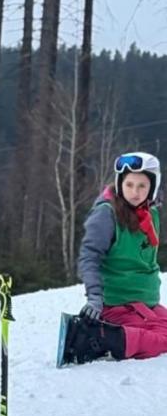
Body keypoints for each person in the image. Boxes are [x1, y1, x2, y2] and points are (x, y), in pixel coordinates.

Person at [62, 151, 167, 365]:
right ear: (120, 184)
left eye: (141, 186)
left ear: (152, 188)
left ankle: (113, 335)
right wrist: (94, 298)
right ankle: (97, 337)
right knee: (163, 340)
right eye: (129, 185)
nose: (134, 192)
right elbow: (89, 258)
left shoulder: (150, 214)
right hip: (119, 303)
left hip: (145, 303)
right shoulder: (107, 214)